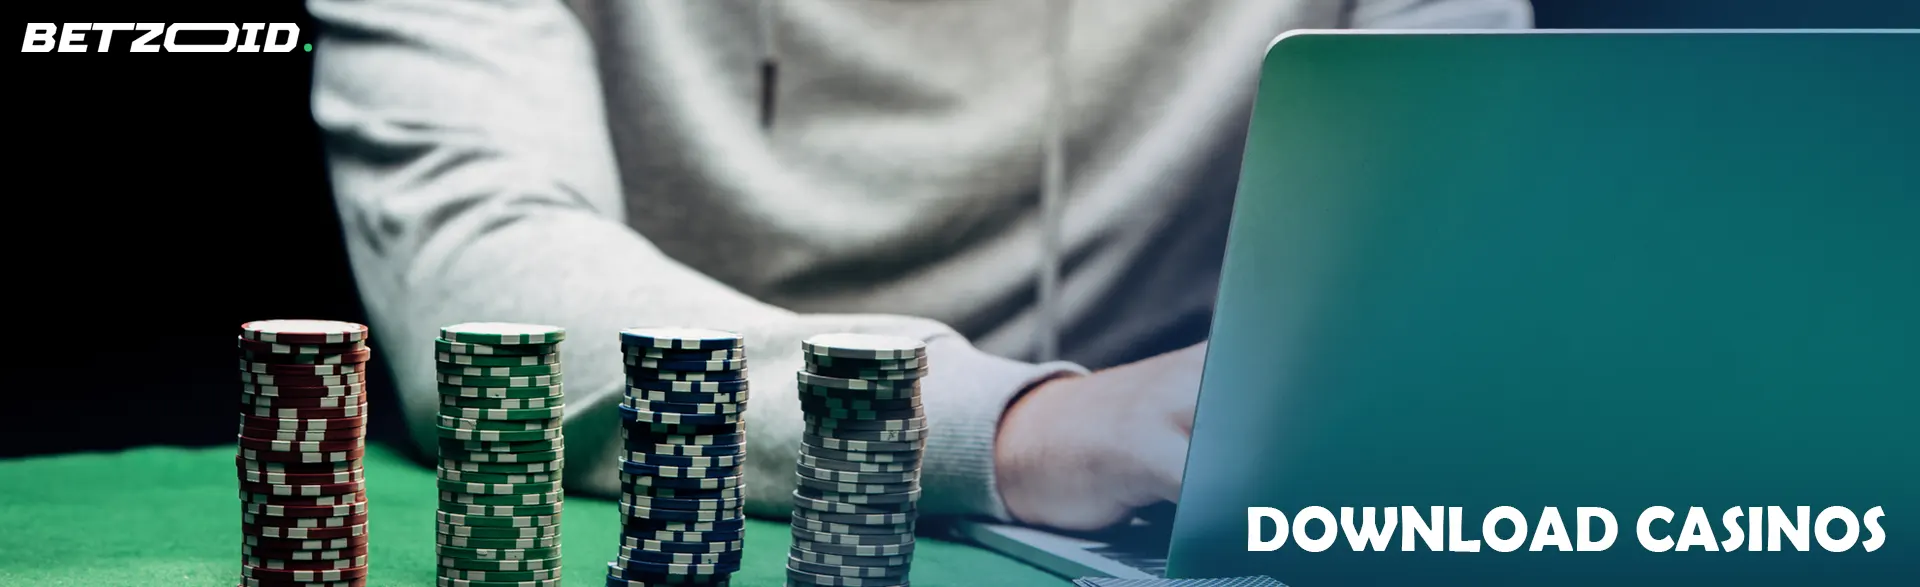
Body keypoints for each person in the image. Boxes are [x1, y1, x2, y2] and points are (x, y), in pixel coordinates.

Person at [308, 0, 1531, 533]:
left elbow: (1488, 216)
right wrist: (1013, 428)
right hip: (708, 509)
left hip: (1185, 505)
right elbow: (479, 272)